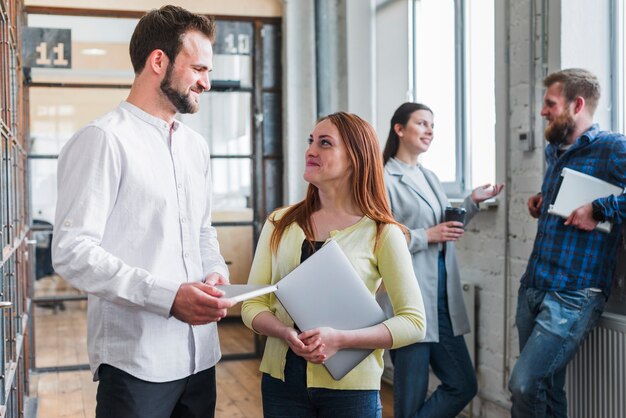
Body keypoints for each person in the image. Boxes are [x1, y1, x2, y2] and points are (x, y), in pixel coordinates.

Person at [51, 5, 236, 418]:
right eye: (199, 69)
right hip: (137, 363)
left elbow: (203, 231)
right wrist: (168, 298)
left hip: (201, 359)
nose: (206, 83)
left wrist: (215, 274)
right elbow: (72, 250)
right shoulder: (103, 139)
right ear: (159, 61)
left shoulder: (195, 148)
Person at [241, 112, 427, 417]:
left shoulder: (383, 232)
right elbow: (252, 305)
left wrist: (341, 340)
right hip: (282, 384)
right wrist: (283, 332)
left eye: (325, 143)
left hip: (352, 392)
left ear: (355, 158)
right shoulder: (278, 223)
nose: (311, 150)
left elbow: (414, 323)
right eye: (311, 141)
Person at [508, 68, 626, 418]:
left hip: (573, 292)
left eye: (550, 104)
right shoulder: (554, 151)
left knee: (524, 384)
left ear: (577, 105)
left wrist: (597, 209)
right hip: (534, 284)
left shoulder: (613, 148)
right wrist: (543, 200)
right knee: (548, 386)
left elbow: (595, 206)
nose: (542, 111)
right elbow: (567, 201)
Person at [379, 102, 504, 418]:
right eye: (421, 123)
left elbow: (443, 227)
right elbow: (380, 240)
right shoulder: (383, 179)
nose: (429, 131)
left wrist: (471, 203)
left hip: (443, 301)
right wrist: (425, 236)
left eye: (432, 126)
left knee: (463, 384)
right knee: (410, 398)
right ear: (399, 129)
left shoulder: (430, 176)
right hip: (411, 302)